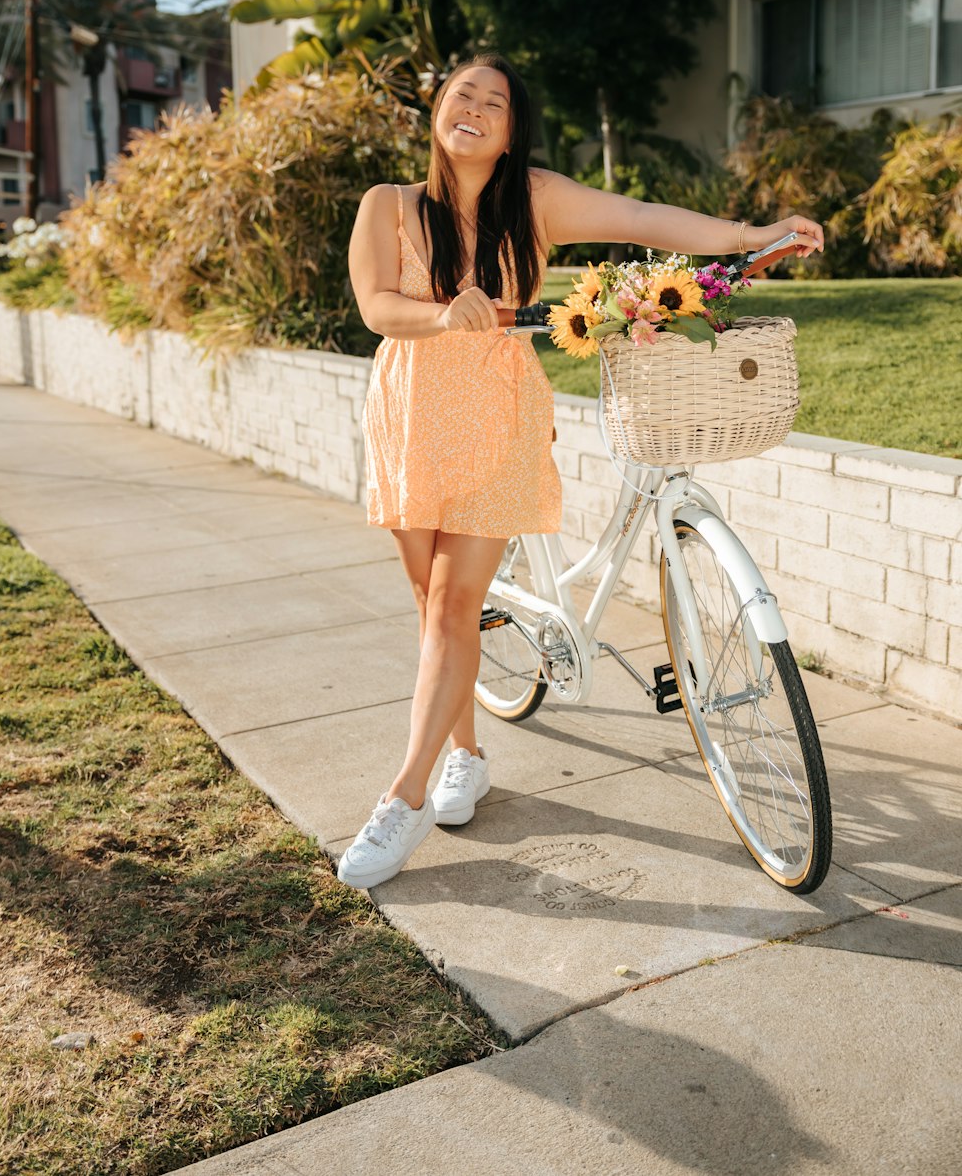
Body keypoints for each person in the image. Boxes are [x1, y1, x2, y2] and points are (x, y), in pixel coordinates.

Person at [339, 52, 823, 890]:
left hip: (496, 411)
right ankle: (465, 756)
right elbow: (377, 307)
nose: (477, 108)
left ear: (511, 131)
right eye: (464, 94)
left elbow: (644, 218)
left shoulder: (534, 199)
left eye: (496, 103)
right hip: (410, 411)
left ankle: (403, 797)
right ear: (438, 112)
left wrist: (751, 237)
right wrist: (438, 313)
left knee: (456, 602)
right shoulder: (388, 205)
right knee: (434, 608)